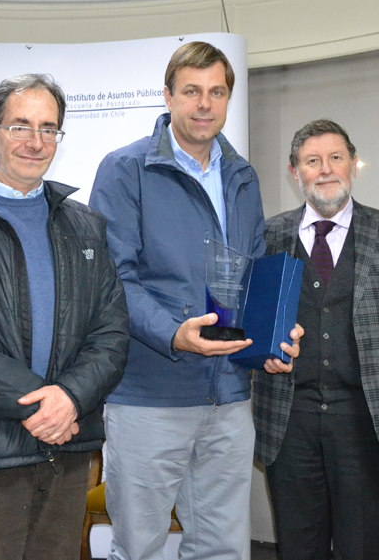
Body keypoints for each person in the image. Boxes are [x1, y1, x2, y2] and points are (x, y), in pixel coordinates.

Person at [90, 41, 300, 560]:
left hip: (229, 395)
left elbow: (249, 274)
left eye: (216, 92)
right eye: (191, 91)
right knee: (139, 548)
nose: (204, 104)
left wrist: (270, 339)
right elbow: (114, 279)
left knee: (223, 549)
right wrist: (173, 333)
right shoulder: (124, 170)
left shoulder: (242, 175)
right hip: (149, 395)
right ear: (167, 96)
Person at [0, 73, 130, 560]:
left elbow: (111, 331)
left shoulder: (87, 224)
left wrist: (70, 398)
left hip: (67, 449)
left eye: (49, 128)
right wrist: (45, 408)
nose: (36, 142)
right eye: (20, 126)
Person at [252, 120, 379, 560]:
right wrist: (262, 356)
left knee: (363, 548)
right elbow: (251, 327)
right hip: (289, 421)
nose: (326, 169)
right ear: (295, 173)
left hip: (365, 424)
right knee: (298, 548)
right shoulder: (267, 237)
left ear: (353, 165)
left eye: (336, 158)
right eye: (312, 161)